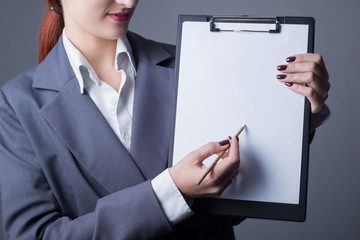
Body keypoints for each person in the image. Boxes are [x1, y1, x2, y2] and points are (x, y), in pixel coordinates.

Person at [0, 0, 330, 239]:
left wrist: (298, 115)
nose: (128, 2)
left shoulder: (193, 64)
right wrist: (171, 192)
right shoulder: (17, 104)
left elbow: (235, 209)